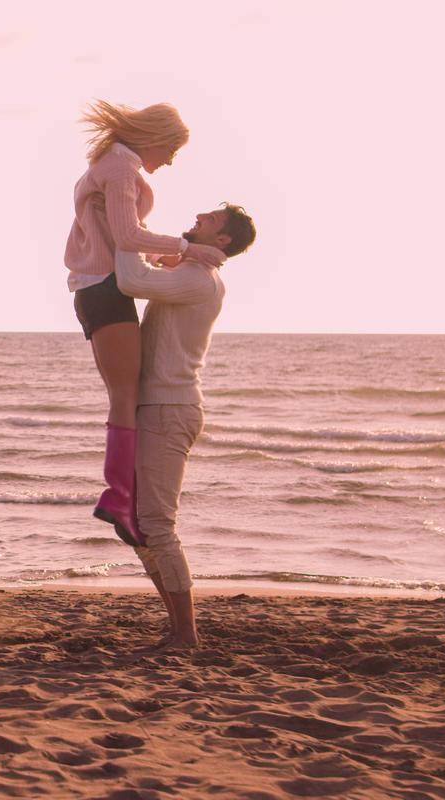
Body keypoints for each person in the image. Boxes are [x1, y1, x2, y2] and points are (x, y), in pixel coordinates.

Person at [65, 100, 224, 547]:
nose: (171, 160)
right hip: (104, 287)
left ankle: (123, 496)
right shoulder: (118, 167)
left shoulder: (116, 165)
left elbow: (125, 237)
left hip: (100, 285)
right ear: (156, 137)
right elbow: (128, 235)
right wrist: (188, 249)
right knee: (125, 394)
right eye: (172, 149)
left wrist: (162, 254)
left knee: (127, 394)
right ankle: (117, 498)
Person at [113, 203, 258, 651]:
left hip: (169, 409)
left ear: (224, 240)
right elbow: (153, 263)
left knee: (156, 524)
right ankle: (177, 627)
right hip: (155, 407)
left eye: (211, 219)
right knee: (132, 524)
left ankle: (186, 634)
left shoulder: (198, 280)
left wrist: (124, 231)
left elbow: (131, 281)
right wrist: (153, 245)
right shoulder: (192, 270)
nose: (199, 216)